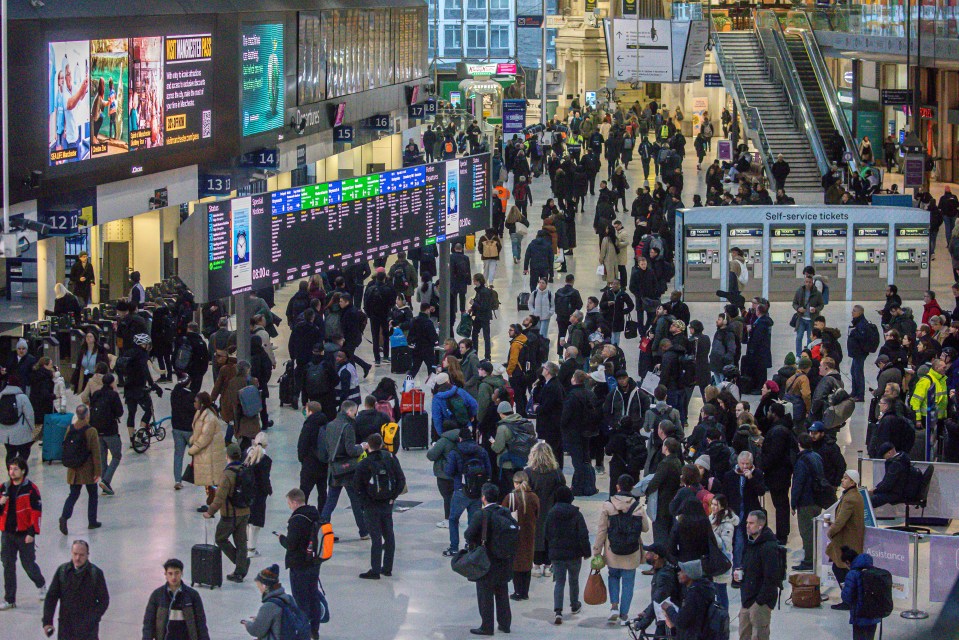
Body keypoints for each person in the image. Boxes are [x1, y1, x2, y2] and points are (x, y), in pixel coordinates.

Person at [594, 474, 646, 625]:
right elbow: (645, 527)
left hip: (612, 551)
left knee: (613, 576)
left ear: (617, 486)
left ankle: (614, 606)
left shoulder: (608, 505)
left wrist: (597, 551)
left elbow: (602, 530)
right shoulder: (637, 506)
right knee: (628, 582)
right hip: (632, 551)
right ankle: (624, 615)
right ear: (631, 488)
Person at [353, 433, 405, 579]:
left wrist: (365, 502)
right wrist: (392, 497)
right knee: (389, 534)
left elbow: (357, 486)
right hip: (387, 504)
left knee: (376, 538)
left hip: (371, 505)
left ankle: (375, 570)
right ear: (382, 444)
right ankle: (387, 568)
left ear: (368, 446)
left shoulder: (364, 463)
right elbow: (401, 480)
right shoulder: (390, 459)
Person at [464, 483, 514, 636]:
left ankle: (487, 626)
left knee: (485, 594)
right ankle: (505, 624)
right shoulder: (505, 512)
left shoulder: (481, 515)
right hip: (504, 559)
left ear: (483, 498)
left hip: (486, 559)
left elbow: (468, 535)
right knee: (502, 593)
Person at [0, 457, 45, 610]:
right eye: (10, 469)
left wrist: (32, 533)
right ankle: (10, 599)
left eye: (15, 469)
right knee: (8, 565)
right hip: (7, 534)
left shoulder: (31, 489)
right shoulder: (3, 488)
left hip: (25, 534)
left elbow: (36, 512)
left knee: (28, 564)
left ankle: (41, 584)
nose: (12, 472)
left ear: (23, 471)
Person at [320, 401, 369, 539]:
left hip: (334, 469)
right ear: (348, 412)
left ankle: (324, 530)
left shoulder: (330, 425)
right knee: (355, 500)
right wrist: (362, 447)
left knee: (330, 501)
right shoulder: (348, 427)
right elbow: (351, 450)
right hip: (347, 470)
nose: (356, 414)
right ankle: (363, 531)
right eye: (354, 411)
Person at [203, 443, 251, 583]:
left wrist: (209, 511)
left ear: (227, 456)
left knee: (220, 538)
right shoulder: (245, 470)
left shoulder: (227, 474)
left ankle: (240, 564)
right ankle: (240, 570)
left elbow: (219, 498)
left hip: (230, 515)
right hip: (245, 512)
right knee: (241, 542)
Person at [278, 488, 323, 639]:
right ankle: (314, 630)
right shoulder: (314, 514)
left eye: (289, 503)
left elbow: (291, 544)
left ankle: (303, 633)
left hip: (299, 564)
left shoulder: (297, 519)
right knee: (313, 596)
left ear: (295, 502)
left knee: (301, 600)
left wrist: (281, 539)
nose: (289, 506)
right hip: (314, 562)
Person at [42, 539, 109, 639]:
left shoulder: (96, 574)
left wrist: (93, 619)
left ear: (87, 555)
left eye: (81, 555)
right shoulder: (62, 571)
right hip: (66, 628)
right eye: (75, 554)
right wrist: (47, 621)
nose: (77, 558)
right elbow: (51, 597)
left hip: (87, 630)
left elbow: (104, 600)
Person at [543, 485, 590, 624]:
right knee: (574, 580)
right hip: (574, 554)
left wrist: (549, 550)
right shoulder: (576, 514)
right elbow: (583, 534)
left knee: (559, 582)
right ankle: (574, 605)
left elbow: (546, 534)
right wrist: (586, 552)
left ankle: (558, 611)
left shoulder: (551, 513)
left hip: (557, 554)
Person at [444, 430, 491, 556]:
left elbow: (448, 472)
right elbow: (488, 471)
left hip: (461, 489)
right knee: (473, 520)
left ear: (460, 439)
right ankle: (471, 545)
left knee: (453, 518)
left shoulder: (455, 452)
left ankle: (454, 548)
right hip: (478, 491)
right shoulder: (481, 451)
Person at [141, 558, 210, 640]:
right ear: (165, 574)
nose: (173, 577)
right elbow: (148, 622)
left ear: (181, 573)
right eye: (170, 573)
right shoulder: (157, 595)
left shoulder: (192, 595)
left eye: (177, 573)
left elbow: (201, 622)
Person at [58, 405, 101, 536]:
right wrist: (98, 471)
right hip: (87, 469)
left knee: (73, 494)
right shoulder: (91, 431)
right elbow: (96, 453)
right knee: (93, 494)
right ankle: (92, 521)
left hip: (73, 470)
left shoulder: (70, 429)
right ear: (87, 415)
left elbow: (65, 447)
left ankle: (64, 517)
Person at [526, 442, 566, 576]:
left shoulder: (528, 472)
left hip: (534, 511)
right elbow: (563, 490)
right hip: (552, 509)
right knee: (550, 537)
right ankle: (548, 566)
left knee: (536, 537)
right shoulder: (556, 473)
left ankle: (536, 566)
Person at [723, 450, 766, 573]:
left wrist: (751, 478)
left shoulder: (757, 473)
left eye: (747, 464)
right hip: (735, 512)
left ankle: (753, 569)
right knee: (738, 542)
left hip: (751, 512)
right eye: (742, 463)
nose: (745, 466)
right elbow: (725, 494)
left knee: (753, 541)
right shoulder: (730, 475)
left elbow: (761, 491)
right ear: (738, 463)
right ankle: (738, 569)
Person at [739, 510, 779, 640]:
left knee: (760, 636)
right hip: (747, 598)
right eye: (747, 522)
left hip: (760, 602)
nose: (747, 526)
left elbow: (771, 577)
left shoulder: (769, 547)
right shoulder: (750, 543)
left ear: (760, 525)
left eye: (751, 523)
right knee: (744, 634)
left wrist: (760, 601)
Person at [825, 470, 865, 597]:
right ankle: (849, 597)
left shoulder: (850, 499)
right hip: (849, 538)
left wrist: (830, 532)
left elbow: (840, 521)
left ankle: (848, 598)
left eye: (846, 478)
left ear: (853, 482)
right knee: (841, 568)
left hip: (847, 540)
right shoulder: (852, 495)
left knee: (840, 568)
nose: (842, 480)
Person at [501, 470, 539, 600]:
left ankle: (517, 592)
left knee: (516, 563)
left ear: (515, 482)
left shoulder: (510, 497)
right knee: (527, 562)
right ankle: (525, 592)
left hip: (514, 535)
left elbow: (502, 516)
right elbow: (538, 514)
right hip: (530, 534)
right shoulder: (533, 497)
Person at [791, 433, 826, 571]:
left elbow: (798, 484)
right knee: (814, 531)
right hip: (818, 499)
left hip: (806, 502)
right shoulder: (817, 457)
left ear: (799, 445)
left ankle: (808, 561)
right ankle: (813, 557)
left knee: (806, 532)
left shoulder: (801, 462)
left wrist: (793, 503)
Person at [241, 564, 303, 639]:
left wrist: (247, 624)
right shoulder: (289, 598)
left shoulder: (269, 606)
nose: (259, 589)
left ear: (264, 586)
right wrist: (260, 619)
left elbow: (256, 630)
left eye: (259, 586)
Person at [660, 559, 717, 638]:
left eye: (682, 571)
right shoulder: (704, 588)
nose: (678, 573)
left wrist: (669, 608)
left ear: (690, 575)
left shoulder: (694, 595)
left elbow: (681, 622)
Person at [89, 374, 123, 496]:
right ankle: (106, 480)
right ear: (112, 383)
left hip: (97, 430)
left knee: (102, 458)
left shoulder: (96, 394)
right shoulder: (113, 395)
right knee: (116, 456)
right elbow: (120, 412)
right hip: (110, 431)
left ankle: (105, 487)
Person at [645, 438, 683, 545]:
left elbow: (656, 482)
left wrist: (646, 491)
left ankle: (661, 556)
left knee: (660, 532)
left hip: (662, 502)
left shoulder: (665, 463)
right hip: (672, 500)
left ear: (666, 447)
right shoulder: (677, 461)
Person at [839, 548, 883, 640]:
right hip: (874, 614)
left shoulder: (852, 574)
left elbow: (847, 598)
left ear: (848, 562)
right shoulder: (873, 570)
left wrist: (844, 589)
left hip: (859, 616)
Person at [244, 433, 273, 558]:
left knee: (248, 521)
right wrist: (269, 490)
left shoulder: (247, 456)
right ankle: (251, 548)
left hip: (247, 493)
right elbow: (265, 479)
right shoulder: (266, 460)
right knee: (256, 523)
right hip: (259, 494)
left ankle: (246, 546)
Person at [869, 442, 918, 507]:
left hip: (895, 493)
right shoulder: (902, 459)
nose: (885, 459)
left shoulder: (895, 464)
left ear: (889, 453)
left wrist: (875, 491)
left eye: (884, 457)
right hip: (900, 491)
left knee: (869, 501)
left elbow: (887, 484)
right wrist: (877, 488)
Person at [0, 375, 35, 464]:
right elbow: (29, 415)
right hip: (20, 432)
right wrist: (32, 428)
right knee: (24, 452)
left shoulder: (1, 396)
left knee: (10, 453)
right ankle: (19, 471)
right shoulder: (22, 397)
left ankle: (11, 473)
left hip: (5, 432)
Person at [793, 273, 824, 355]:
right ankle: (798, 355)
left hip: (812, 319)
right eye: (806, 282)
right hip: (801, 318)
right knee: (799, 337)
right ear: (804, 282)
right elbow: (794, 303)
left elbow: (821, 305)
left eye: (809, 282)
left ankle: (808, 354)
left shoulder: (817, 293)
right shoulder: (799, 291)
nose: (808, 284)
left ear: (812, 283)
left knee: (810, 338)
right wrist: (798, 308)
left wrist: (816, 309)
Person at [407, 302, 439, 379]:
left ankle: (406, 385)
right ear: (427, 310)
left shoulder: (414, 320)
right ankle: (433, 388)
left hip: (416, 348)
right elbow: (433, 337)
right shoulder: (428, 322)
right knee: (432, 368)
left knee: (414, 368)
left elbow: (410, 334)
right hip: (427, 349)